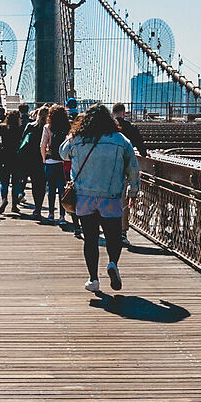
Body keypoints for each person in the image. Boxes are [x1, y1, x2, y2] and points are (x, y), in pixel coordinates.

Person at [61, 102, 140, 296]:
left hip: (84, 197)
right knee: (113, 235)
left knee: (91, 239)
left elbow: (62, 154)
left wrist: (72, 134)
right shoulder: (120, 140)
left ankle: (93, 279)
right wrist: (132, 192)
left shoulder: (77, 138)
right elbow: (133, 168)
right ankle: (112, 263)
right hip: (111, 196)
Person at [39, 103, 74, 226]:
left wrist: (44, 159)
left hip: (51, 162)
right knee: (62, 190)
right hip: (64, 162)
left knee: (51, 189)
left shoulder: (48, 127)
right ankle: (62, 216)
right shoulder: (68, 126)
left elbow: (42, 145)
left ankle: (50, 214)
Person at [0, 104, 30, 214]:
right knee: (15, 182)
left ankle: (4, 199)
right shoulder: (21, 129)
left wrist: (0, 144)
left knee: (4, 181)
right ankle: (14, 205)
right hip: (17, 157)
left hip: (4, 156)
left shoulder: (2, 127)